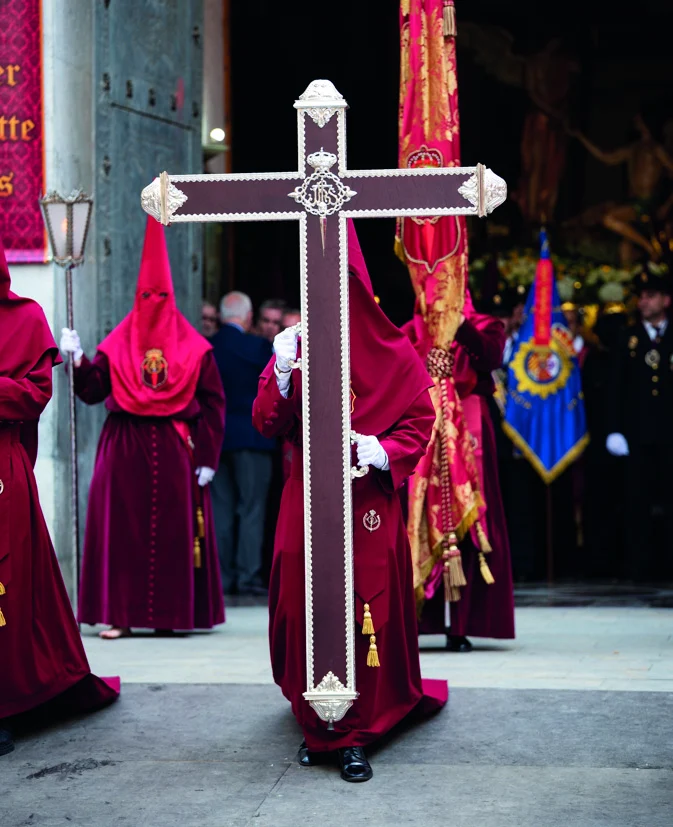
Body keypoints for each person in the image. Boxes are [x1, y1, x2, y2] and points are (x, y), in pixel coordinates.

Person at [252, 221, 447, 783]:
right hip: (306, 497)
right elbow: (266, 421)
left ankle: (356, 731)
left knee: (369, 611)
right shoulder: (297, 344)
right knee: (300, 604)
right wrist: (281, 371)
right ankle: (316, 717)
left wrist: (381, 450)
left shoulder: (394, 349)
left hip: (367, 502)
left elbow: (419, 422)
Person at [60, 217, 225, 639]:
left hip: (174, 447)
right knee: (122, 532)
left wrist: (208, 457)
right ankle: (120, 615)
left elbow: (212, 404)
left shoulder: (195, 348)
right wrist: (78, 360)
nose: (154, 302)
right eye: (147, 295)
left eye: (161, 296)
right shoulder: (117, 343)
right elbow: (94, 390)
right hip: (124, 447)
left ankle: (171, 615)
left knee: (174, 534)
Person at [0, 239, 118, 756]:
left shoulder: (25, 318)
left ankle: (5, 701)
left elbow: (34, 396)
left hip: (1, 466)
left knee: (7, 583)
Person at [406, 292, 515, 650]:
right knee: (420, 518)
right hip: (423, 425)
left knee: (470, 520)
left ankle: (463, 623)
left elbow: (491, 356)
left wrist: (460, 326)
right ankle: (419, 619)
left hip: (469, 427)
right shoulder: (411, 330)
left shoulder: (485, 325)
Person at [606, 266, 673, 581]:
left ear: (666, 300)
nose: (644, 302)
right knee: (637, 501)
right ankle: (639, 566)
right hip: (637, 432)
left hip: (670, 433)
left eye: (651, 296)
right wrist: (614, 429)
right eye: (641, 297)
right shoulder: (628, 337)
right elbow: (615, 387)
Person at [211, 291, 274, 596]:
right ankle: (247, 576)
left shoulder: (207, 346)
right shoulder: (257, 347)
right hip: (252, 438)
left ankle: (222, 578)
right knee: (251, 509)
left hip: (218, 439)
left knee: (220, 510)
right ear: (249, 318)